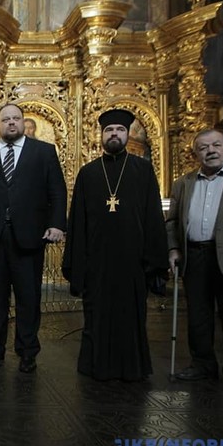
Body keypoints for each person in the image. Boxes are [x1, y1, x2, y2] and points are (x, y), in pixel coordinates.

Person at [62, 109, 168, 381]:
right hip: (97, 262)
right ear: (101, 135)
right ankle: (97, 366)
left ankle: (132, 368)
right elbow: (78, 222)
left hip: (133, 261)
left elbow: (153, 217)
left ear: (127, 134)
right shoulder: (88, 173)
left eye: (119, 130)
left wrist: (155, 262)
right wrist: (77, 264)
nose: (114, 134)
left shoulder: (143, 170)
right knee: (96, 315)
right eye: (109, 130)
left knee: (131, 317)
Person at [0, 103, 67, 373]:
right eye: (6, 119)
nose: (11, 123)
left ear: (22, 122)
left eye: (16, 118)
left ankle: (27, 351)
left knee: (28, 297)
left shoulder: (44, 152)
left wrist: (57, 224)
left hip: (29, 236)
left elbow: (57, 191)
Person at [166, 128, 223, 397]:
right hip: (195, 255)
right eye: (203, 147)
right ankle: (203, 364)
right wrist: (174, 248)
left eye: (216, 145)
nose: (211, 151)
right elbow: (172, 221)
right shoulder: (184, 183)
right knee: (198, 316)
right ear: (196, 153)